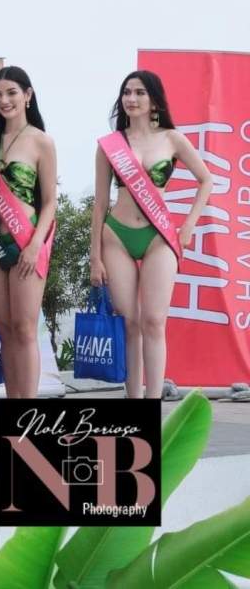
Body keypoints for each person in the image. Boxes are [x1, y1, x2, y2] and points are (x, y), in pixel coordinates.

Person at [90, 71, 211, 398]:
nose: (131, 98)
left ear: (154, 100)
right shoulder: (110, 145)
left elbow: (206, 180)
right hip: (116, 236)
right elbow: (100, 204)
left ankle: (153, 401)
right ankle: (133, 400)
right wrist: (94, 257)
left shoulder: (172, 139)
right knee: (129, 322)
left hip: (159, 237)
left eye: (140, 93)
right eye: (127, 92)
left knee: (154, 321)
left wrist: (188, 225)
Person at [0, 66, 57, 399]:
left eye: (11, 93)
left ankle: (28, 410)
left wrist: (35, 245)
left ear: (27, 95)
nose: (4, 100)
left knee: (24, 330)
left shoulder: (41, 141)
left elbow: (49, 202)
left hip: (26, 242)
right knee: (5, 331)